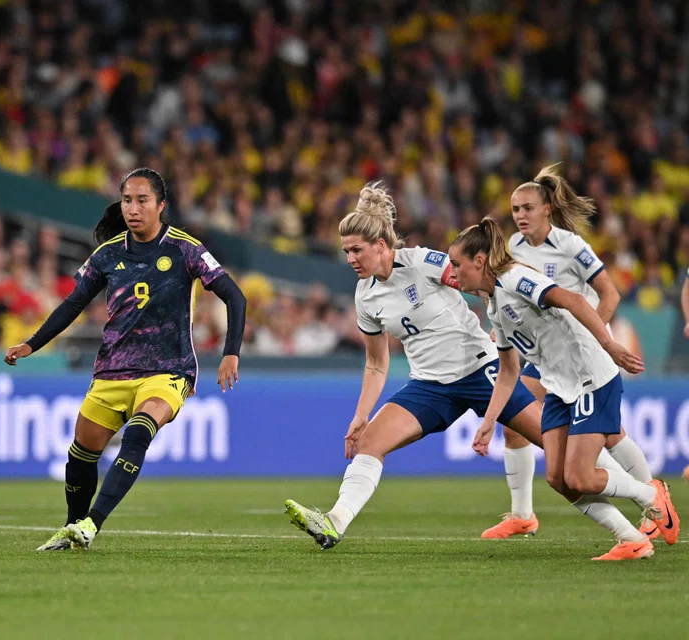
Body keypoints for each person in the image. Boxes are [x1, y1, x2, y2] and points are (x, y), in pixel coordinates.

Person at [284, 182, 548, 550]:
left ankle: (646, 498)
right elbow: (376, 363)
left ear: (381, 246)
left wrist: (499, 325)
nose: (350, 259)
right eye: (346, 252)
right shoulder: (365, 297)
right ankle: (334, 522)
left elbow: (479, 280)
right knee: (371, 441)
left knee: (557, 445)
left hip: (477, 370)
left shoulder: (421, 262)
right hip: (430, 385)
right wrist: (362, 415)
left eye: (357, 250)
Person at [5, 167, 247, 551]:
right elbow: (73, 304)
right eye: (127, 200)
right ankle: (71, 529)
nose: (133, 208)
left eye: (142, 200)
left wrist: (230, 352)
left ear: (161, 205)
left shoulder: (185, 249)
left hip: (168, 369)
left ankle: (92, 524)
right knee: (81, 453)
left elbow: (235, 296)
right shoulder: (107, 254)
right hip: (113, 371)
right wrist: (31, 344)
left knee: (138, 433)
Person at [448, 216, 679, 560]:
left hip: (590, 375)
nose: (452, 273)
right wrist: (489, 422)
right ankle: (632, 539)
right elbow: (509, 371)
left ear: (479, 262)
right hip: (560, 386)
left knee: (581, 475)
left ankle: (650, 494)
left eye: (456, 264)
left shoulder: (516, 279)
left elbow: (573, 300)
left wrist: (609, 345)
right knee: (558, 478)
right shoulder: (494, 303)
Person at [485, 165, 658, 540]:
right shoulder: (513, 248)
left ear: (547, 208)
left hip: (585, 351)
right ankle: (522, 513)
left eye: (528, 208)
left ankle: (653, 497)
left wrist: (599, 341)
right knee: (513, 418)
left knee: (609, 435)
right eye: (515, 210)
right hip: (546, 353)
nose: (520, 216)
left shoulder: (570, 246)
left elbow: (609, 293)